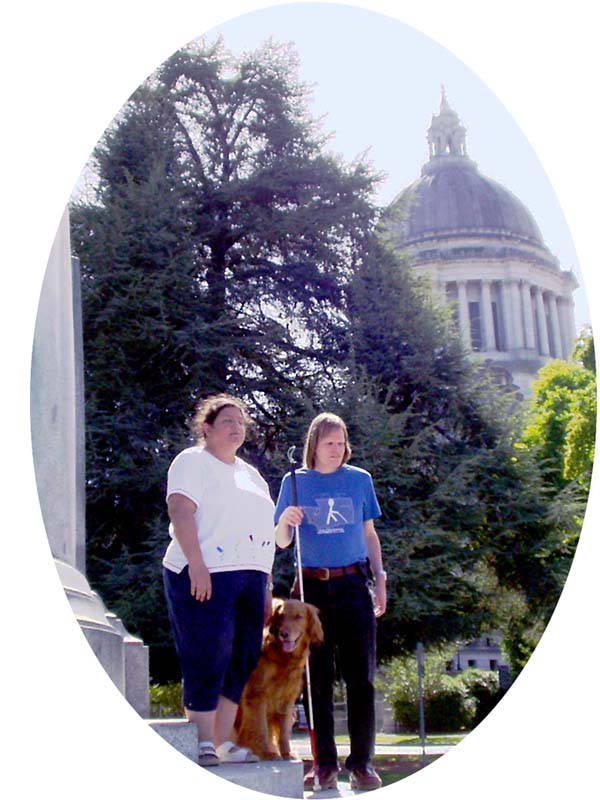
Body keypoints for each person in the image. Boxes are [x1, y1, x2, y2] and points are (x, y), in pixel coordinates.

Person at [274, 412, 387, 792]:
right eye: (329, 444)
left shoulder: (360, 481)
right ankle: (323, 765)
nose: (336, 450)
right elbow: (282, 543)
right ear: (314, 445)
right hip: (311, 592)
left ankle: (362, 764)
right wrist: (286, 522)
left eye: (341, 443)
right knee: (316, 681)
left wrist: (381, 579)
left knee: (361, 680)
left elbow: (369, 534)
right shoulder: (293, 483)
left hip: (354, 585)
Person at [162, 394, 275, 767]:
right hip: (203, 572)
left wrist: (267, 588)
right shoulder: (192, 462)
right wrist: (196, 564)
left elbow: (264, 530)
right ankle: (200, 740)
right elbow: (180, 510)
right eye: (227, 420)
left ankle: (222, 740)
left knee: (242, 656)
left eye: (241, 422)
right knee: (208, 652)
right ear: (206, 428)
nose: (236, 427)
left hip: (250, 576)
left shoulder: (251, 474)